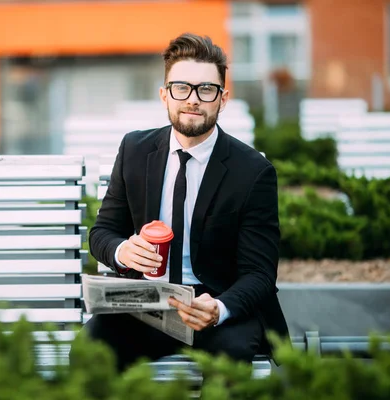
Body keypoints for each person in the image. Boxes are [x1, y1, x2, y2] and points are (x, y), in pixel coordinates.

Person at [73, 32, 289, 372]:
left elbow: (260, 274)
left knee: (230, 366)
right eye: (181, 88)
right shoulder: (134, 150)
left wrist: (221, 307)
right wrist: (121, 251)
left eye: (206, 89)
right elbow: (102, 233)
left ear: (223, 98)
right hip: (146, 303)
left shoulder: (254, 172)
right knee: (89, 353)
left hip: (215, 304)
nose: (192, 99)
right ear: (164, 95)